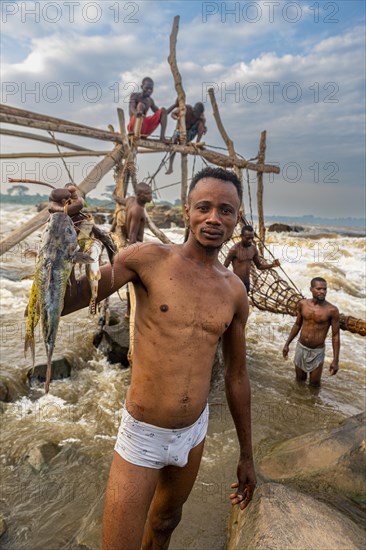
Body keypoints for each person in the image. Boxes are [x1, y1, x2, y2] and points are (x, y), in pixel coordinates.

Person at [60, 167, 256, 550]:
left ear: (237, 218)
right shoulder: (146, 259)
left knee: (166, 522)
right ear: (187, 212)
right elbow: (67, 301)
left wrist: (247, 455)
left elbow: (236, 375)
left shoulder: (234, 291)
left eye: (226, 210)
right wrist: (70, 236)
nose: (214, 218)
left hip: (193, 433)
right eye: (204, 207)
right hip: (142, 435)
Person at [282, 277, 340, 387]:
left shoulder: (332, 310)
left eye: (324, 289)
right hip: (301, 347)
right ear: (311, 289)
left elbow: (335, 336)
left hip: (317, 351)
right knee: (299, 380)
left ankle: (313, 404)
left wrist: (335, 360)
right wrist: (287, 344)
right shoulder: (302, 304)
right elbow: (297, 325)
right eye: (319, 289)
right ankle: (297, 404)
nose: (322, 291)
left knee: (314, 384)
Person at [112, 182, 153, 318]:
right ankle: (132, 311)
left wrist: (115, 191)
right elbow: (133, 237)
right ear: (140, 195)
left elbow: (118, 199)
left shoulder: (130, 200)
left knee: (131, 281)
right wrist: (133, 258)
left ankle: (129, 311)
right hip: (137, 248)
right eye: (148, 194)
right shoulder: (138, 211)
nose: (151, 196)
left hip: (135, 247)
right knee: (137, 281)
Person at [224, 225, 280, 294]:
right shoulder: (234, 249)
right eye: (247, 238)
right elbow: (224, 268)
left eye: (252, 238)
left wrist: (272, 265)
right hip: (236, 283)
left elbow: (259, 266)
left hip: (247, 283)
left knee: (244, 304)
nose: (250, 241)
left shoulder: (253, 249)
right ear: (241, 236)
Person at [127, 77, 176, 141]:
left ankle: (162, 137)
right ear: (142, 87)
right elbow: (132, 107)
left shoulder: (150, 100)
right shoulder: (135, 96)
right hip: (133, 127)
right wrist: (137, 113)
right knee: (140, 105)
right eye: (147, 88)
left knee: (162, 110)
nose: (149, 90)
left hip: (144, 129)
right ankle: (136, 132)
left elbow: (163, 114)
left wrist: (175, 105)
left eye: (151, 89)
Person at [165, 102, 207, 174]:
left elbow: (203, 125)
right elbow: (173, 114)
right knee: (174, 143)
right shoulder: (186, 109)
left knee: (200, 124)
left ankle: (197, 143)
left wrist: (204, 128)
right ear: (194, 110)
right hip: (179, 132)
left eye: (199, 114)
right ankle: (170, 167)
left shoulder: (200, 117)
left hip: (189, 134)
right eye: (196, 113)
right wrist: (177, 118)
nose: (197, 116)